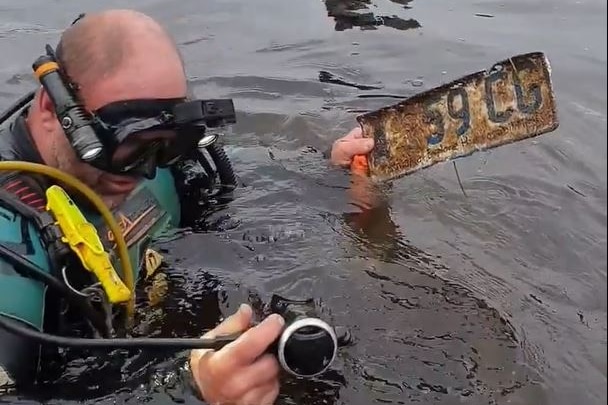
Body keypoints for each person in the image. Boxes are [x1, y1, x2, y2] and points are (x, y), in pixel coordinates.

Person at [0, 8, 374, 405]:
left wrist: (327, 171)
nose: (144, 170)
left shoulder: (159, 168)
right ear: (49, 108)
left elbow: (252, 189)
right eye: (129, 145)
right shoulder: (10, 260)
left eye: (165, 145)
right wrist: (188, 393)